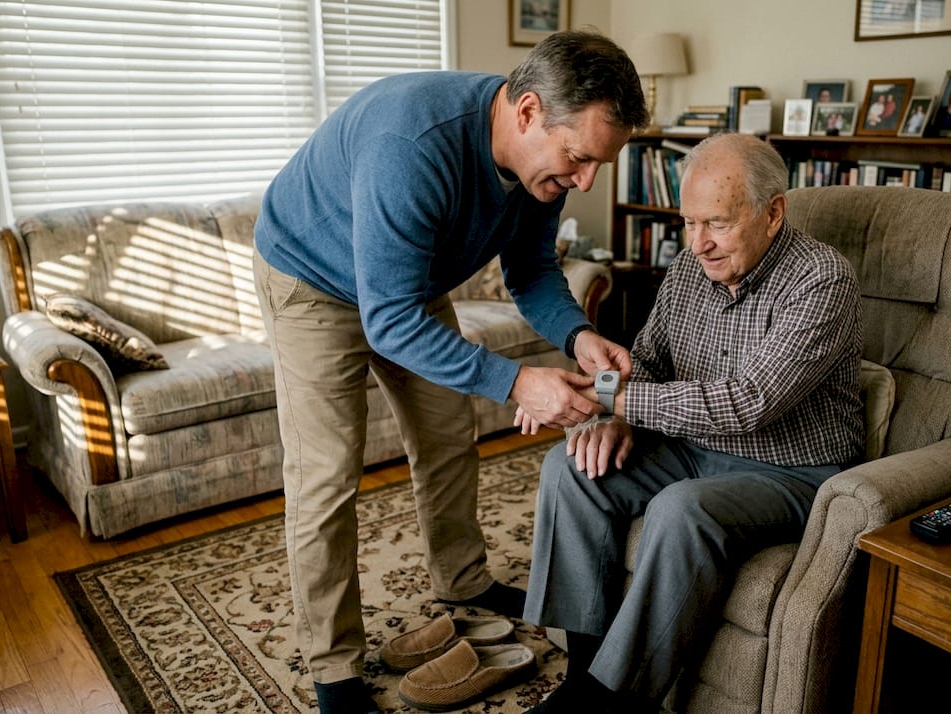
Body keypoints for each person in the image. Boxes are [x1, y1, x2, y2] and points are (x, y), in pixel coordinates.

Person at [252, 30, 648, 714]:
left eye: (597, 166)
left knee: (446, 436)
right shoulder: (414, 144)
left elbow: (529, 269)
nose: (584, 182)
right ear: (527, 113)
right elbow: (388, 322)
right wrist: (520, 383)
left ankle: (463, 582)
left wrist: (579, 336)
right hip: (310, 279)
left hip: (408, 281)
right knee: (325, 475)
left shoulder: (540, 167)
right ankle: (335, 669)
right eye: (579, 159)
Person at [518, 133, 863, 713]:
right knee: (570, 465)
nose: (698, 243)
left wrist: (609, 403)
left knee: (682, 508)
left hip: (793, 470)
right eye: (688, 222)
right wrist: (607, 407)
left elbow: (748, 403)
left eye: (717, 224)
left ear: (773, 212)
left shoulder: (822, 281)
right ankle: (583, 672)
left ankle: (612, 703)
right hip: (692, 446)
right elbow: (647, 362)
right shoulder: (688, 268)